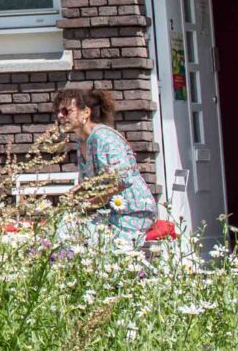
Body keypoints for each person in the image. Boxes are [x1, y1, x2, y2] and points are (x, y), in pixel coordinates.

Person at [54, 85, 160, 242]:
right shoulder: (81, 142)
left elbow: (124, 179)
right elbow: (92, 182)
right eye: (58, 111)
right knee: (62, 228)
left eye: (66, 111)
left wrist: (92, 202)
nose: (60, 116)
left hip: (132, 212)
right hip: (108, 213)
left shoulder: (103, 138)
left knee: (76, 236)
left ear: (86, 112)